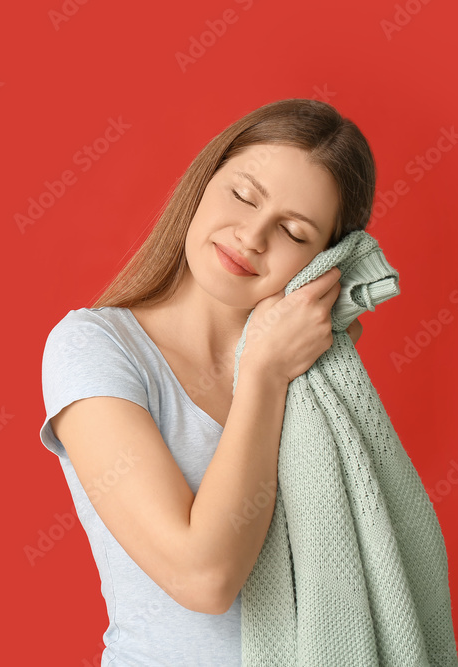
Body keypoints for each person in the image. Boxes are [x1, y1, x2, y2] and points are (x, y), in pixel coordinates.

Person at [38, 98, 376, 665]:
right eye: (243, 195)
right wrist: (264, 374)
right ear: (203, 181)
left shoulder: (318, 375)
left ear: (325, 262)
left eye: (293, 232)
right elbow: (203, 578)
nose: (251, 237)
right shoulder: (94, 347)